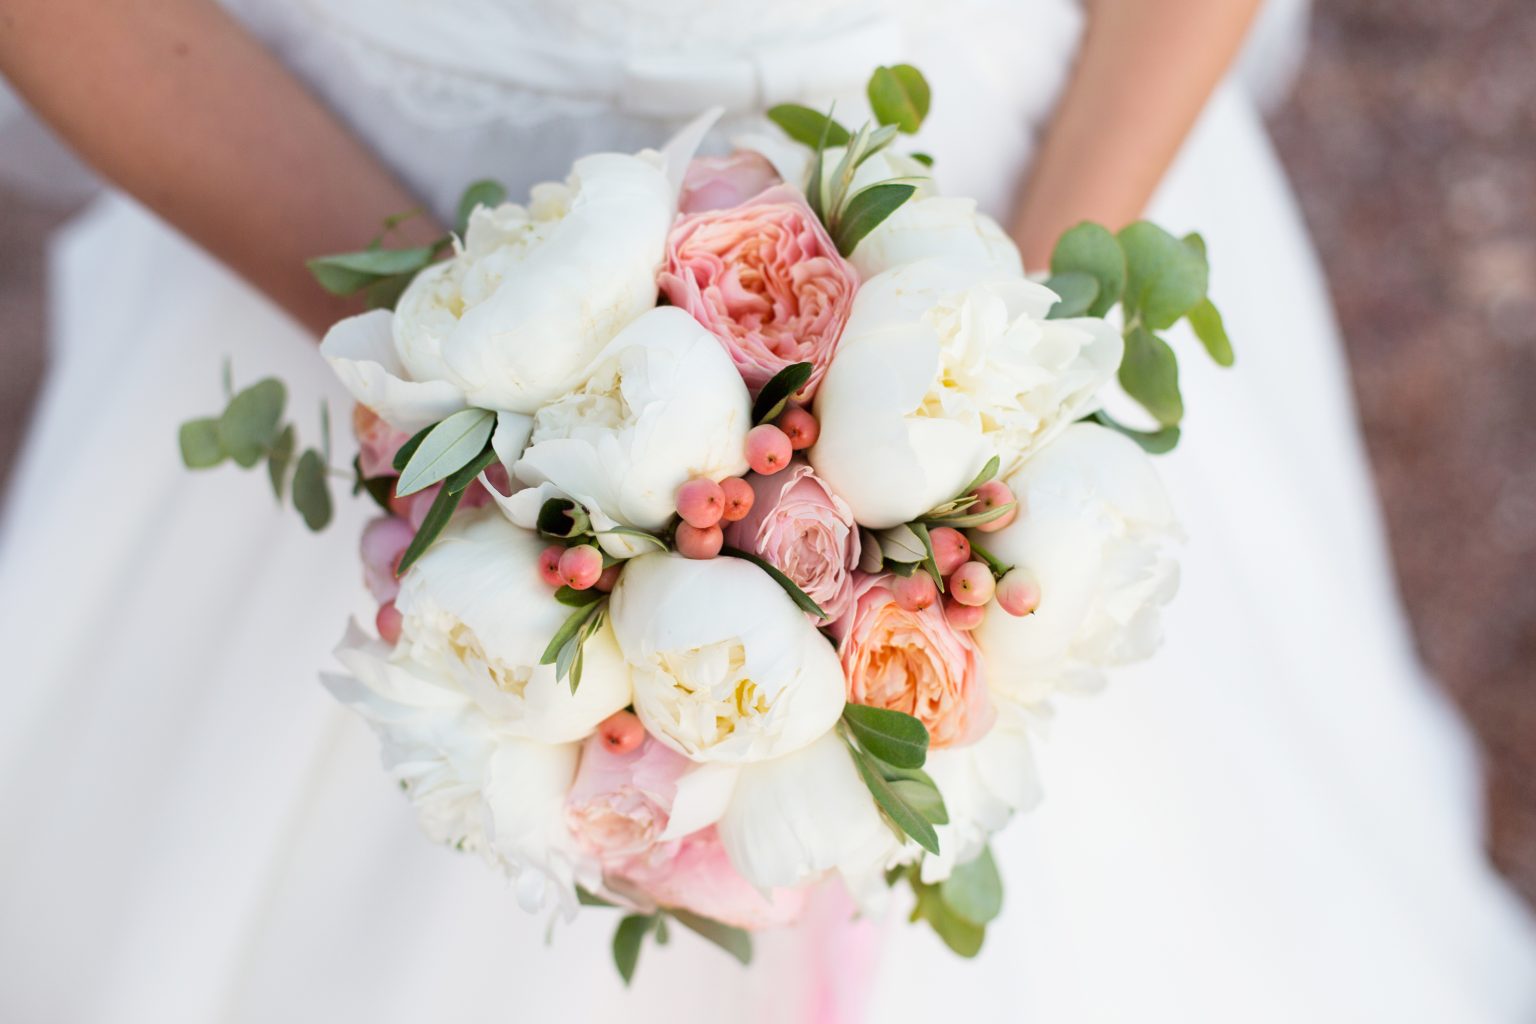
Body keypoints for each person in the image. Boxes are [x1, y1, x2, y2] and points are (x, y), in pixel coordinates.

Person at [0, 1, 1532, 1020]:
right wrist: (480, 381)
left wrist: (985, 377)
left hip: (1019, 195)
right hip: (324, 197)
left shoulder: (996, 358)